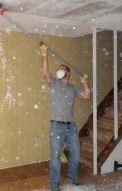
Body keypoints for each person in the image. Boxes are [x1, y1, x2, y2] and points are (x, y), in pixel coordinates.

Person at [40, 43, 91, 191]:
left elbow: (87, 96)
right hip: (56, 126)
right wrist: (44, 55)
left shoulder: (73, 88)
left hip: (71, 126)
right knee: (55, 156)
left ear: (68, 73)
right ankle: (54, 184)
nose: (59, 71)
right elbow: (45, 74)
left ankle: (72, 176)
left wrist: (84, 82)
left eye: (62, 69)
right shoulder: (54, 84)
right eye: (59, 69)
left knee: (75, 153)